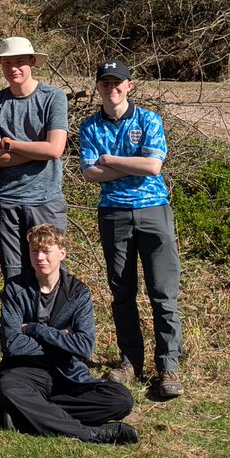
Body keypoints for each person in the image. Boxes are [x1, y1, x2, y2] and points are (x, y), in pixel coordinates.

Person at [78, 59, 182, 399]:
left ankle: (168, 366)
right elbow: (89, 173)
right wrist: (127, 165)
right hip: (113, 214)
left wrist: (109, 160)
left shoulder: (149, 119)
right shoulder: (90, 126)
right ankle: (130, 361)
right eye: (105, 82)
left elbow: (152, 166)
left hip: (153, 211)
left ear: (129, 85)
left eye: (117, 82)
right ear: (98, 87)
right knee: (122, 293)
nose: (112, 88)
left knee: (162, 293)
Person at [0, 224, 138, 444]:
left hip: (69, 373)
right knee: (8, 388)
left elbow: (84, 347)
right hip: (28, 371)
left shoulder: (78, 293)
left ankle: (31, 413)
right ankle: (89, 433)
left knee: (121, 400)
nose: (40, 257)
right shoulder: (16, 288)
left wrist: (35, 329)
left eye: (46, 251)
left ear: (62, 253)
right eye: (35, 251)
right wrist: (63, 338)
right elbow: (13, 344)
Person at [0, 36, 69, 284]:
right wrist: (34, 150)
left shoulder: (53, 98)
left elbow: (54, 149)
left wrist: (12, 144)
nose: (13, 68)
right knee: (13, 272)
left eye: (19, 62)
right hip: (6, 201)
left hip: (46, 201)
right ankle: (18, 323)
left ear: (32, 62)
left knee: (49, 272)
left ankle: (51, 323)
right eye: (7, 63)